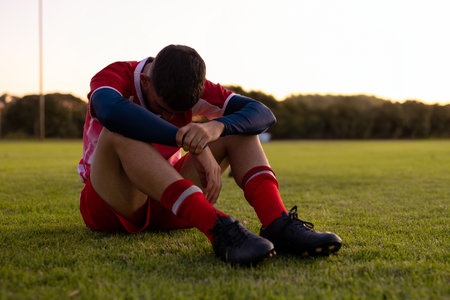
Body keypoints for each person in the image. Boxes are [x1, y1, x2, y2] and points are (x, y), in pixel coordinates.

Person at [77, 44, 342, 265]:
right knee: (118, 130)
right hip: (114, 205)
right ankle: (217, 227)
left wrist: (217, 127)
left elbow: (262, 114)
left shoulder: (195, 87)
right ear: (145, 81)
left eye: (178, 110)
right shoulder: (115, 75)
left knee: (239, 127)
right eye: (162, 107)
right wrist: (189, 141)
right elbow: (110, 111)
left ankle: (278, 223)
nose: (170, 115)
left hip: (171, 202)